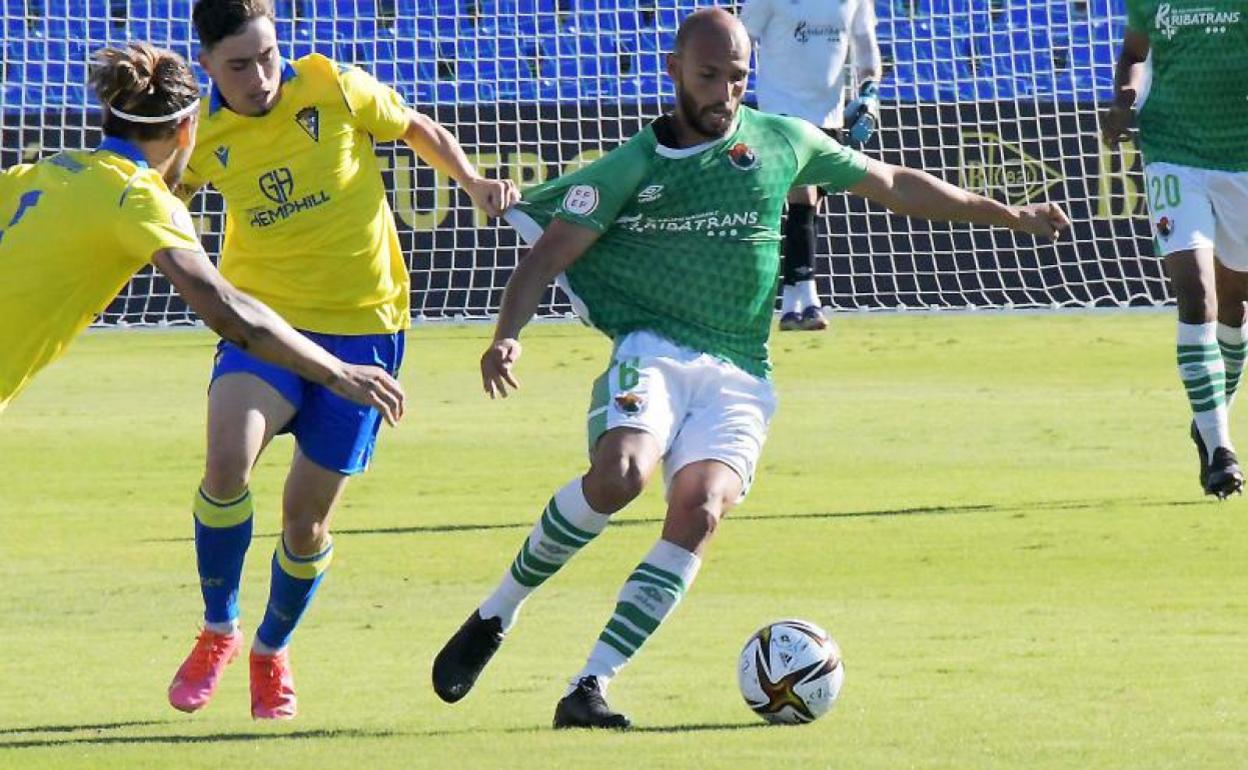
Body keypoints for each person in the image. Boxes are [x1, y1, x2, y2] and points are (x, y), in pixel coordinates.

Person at [430, 8, 1069, 729]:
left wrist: (1009, 214)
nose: (724, 93)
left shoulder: (784, 140)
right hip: (654, 351)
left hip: (740, 374)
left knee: (700, 510)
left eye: (737, 77)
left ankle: (590, 685)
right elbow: (544, 257)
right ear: (674, 71)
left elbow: (895, 183)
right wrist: (506, 337)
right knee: (620, 476)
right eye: (709, 76)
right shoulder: (632, 166)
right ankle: (496, 614)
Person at [166, 0, 518, 720]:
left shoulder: (332, 84)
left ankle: (271, 648)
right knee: (226, 464)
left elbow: (414, 126)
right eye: (239, 65)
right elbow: (159, 200)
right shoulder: (200, 134)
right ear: (206, 66)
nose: (261, 76)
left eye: (267, 57)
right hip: (265, 328)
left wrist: (474, 179)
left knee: (304, 524)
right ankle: (218, 629)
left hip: (366, 333)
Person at [0, 43, 405, 429]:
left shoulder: (40, 173)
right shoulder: (138, 197)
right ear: (186, 129)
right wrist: (338, 373)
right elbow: (226, 311)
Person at [1103, 0, 1248, 499]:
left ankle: (1208, 419)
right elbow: (1135, 53)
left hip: (1241, 157)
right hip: (1173, 154)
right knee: (1195, 293)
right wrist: (1125, 97)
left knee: (1236, 301)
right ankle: (1220, 449)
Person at [740, 0, 882, 331]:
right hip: (780, 110)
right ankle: (807, 298)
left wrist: (869, 96)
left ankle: (793, 301)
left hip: (828, 115)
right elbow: (741, 39)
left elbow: (865, 47)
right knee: (802, 197)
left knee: (810, 206)